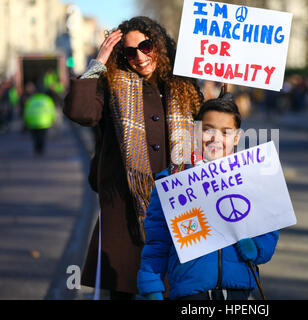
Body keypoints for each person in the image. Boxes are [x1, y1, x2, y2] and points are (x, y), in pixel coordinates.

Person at [63, 16, 203, 299]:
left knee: (173, 288)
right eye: (130, 52)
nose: (139, 56)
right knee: (124, 288)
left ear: (159, 46)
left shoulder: (182, 86)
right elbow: (81, 112)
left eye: (146, 46)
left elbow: (207, 132)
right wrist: (98, 62)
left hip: (177, 203)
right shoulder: (111, 85)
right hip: (124, 206)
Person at [137, 97, 279, 300]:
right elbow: (156, 242)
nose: (216, 138)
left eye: (226, 132)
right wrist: (152, 286)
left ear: (237, 137)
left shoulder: (251, 180)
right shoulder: (173, 182)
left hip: (238, 291)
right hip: (190, 292)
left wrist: (257, 247)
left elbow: (269, 232)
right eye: (208, 129)